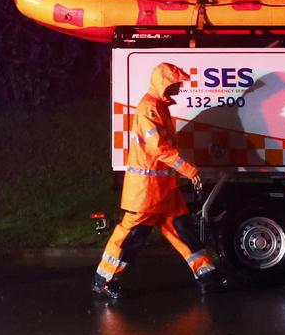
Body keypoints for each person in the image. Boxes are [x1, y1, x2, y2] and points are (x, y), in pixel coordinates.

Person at [92, 62, 225, 301]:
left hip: (162, 189)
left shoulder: (159, 108)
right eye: (176, 85)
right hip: (146, 191)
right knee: (132, 236)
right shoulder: (150, 108)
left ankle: (209, 276)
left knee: (183, 231)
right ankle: (104, 280)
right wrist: (188, 169)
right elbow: (158, 148)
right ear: (164, 85)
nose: (179, 89)